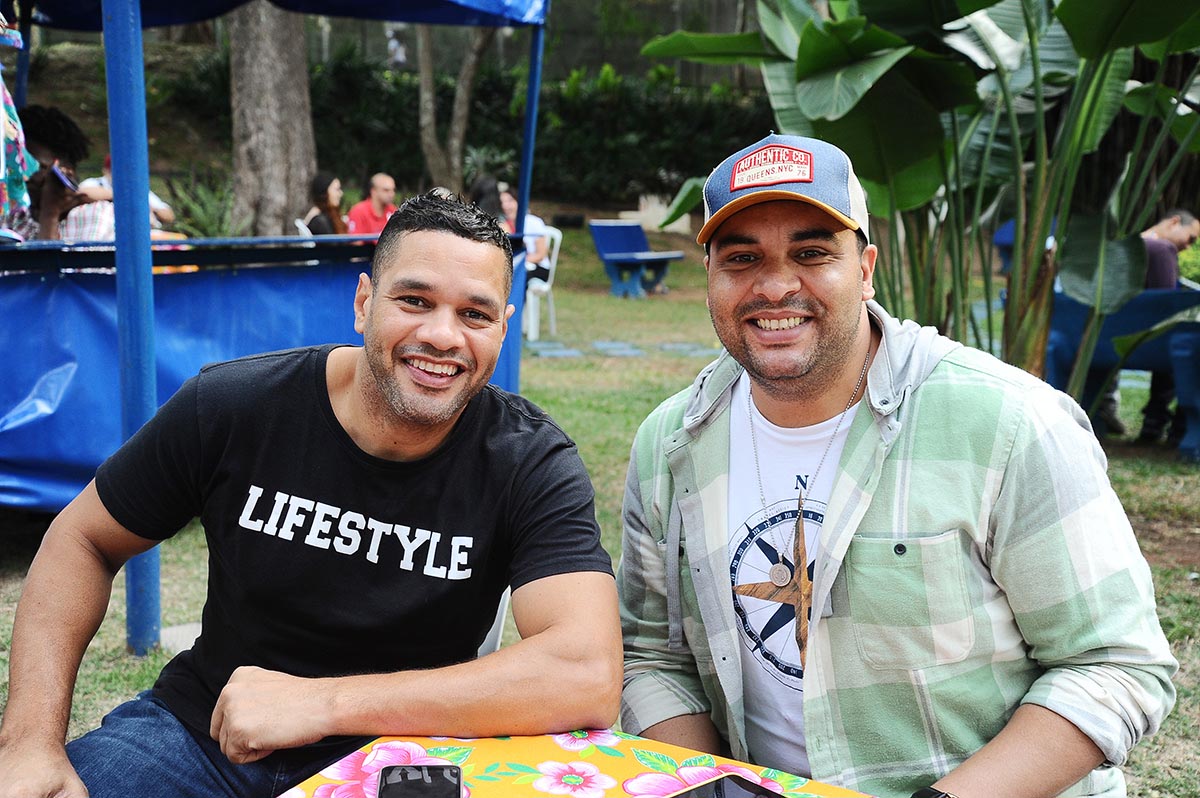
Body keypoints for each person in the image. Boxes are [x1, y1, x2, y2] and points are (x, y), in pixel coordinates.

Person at [0, 191, 621, 798]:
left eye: (474, 315)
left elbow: (585, 672)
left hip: (402, 758)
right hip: (200, 736)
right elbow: (83, 539)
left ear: (503, 328)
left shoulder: (529, 459)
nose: (442, 335)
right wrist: (28, 742)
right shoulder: (236, 405)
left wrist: (323, 704)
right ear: (364, 302)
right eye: (414, 300)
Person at [617, 134, 1176, 798]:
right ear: (708, 276)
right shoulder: (671, 444)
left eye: (812, 253)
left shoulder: (1009, 423)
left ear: (866, 269)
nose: (775, 285)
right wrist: (711, 787)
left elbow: (1114, 666)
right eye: (742, 258)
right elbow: (652, 658)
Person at [6, 104, 113, 241]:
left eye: (37, 167)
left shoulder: (96, 214)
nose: (25, 177)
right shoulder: (16, 216)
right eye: (20, 168)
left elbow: (49, 256)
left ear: (66, 171)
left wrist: (50, 214)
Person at [1137, 209, 1199, 444]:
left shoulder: (1124, 246)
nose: (1188, 247)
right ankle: (1176, 427)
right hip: (1153, 343)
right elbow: (1166, 304)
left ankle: (1154, 421)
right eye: (1191, 238)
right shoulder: (1161, 249)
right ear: (1174, 222)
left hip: (1107, 342)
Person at [79, 152, 176, 229]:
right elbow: (82, 193)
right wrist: (124, 196)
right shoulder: (94, 183)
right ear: (106, 170)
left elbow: (169, 216)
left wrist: (148, 208)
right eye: (116, 171)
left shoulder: (137, 188)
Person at [499, 181, 550, 281]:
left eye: (509, 201)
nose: (505, 206)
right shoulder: (503, 225)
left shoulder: (534, 222)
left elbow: (540, 255)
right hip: (514, 267)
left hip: (537, 268)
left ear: (519, 202)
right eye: (502, 202)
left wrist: (518, 261)